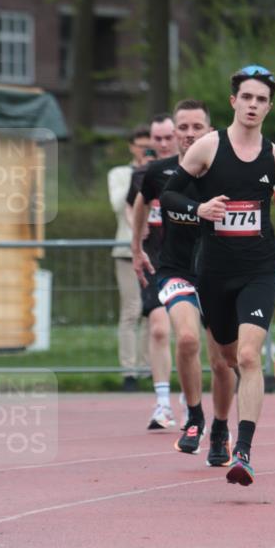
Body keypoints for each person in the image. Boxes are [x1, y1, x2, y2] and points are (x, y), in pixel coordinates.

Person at [161, 64, 275, 485]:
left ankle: (243, 451)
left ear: (269, 107)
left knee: (248, 357)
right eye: (246, 97)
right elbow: (170, 193)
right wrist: (199, 209)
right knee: (225, 360)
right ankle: (220, 427)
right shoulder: (207, 148)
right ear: (233, 101)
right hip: (213, 271)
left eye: (261, 99)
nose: (253, 105)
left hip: (260, 268)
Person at [132, 100, 236, 460]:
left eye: (197, 127)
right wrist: (136, 248)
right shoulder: (159, 172)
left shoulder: (226, 172)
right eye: (183, 128)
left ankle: (221, 428)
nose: (189, 134)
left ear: (210, 130)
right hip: (176, 269)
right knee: (186, 338)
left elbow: (253, 220)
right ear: (173, 132)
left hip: (219, 271)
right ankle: (194, 417)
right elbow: (141, 204)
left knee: (223, 361)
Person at [126, 114, 178, 428]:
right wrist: (138, 229)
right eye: (156, 139)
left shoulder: (195, 168)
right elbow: (131, 204)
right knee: (159, 328)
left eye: (166, 137)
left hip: (188, 260)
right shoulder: (144, 174)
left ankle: (191, 400)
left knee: (189, 336)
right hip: (154, 259)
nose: (161, 143)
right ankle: (162, 404)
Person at [107, 124, 150, 391]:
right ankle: (129, 371)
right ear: (131, 146)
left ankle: (148, 368)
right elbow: (116, 204)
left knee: (153, 313)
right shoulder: (120, 173)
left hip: (154, 250)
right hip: (126, 250)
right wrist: (140, 174)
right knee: (131, 311)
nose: (145, 149)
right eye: (140, 144)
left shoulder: (160, 169)